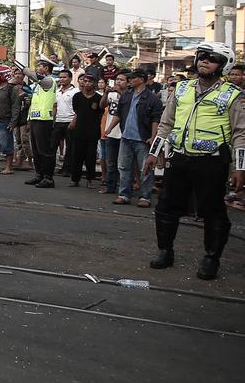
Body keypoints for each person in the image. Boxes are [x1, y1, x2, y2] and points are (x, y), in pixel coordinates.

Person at [146, 42, 244, 280]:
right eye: (202, 56)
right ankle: (165, 251)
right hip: (179, 158)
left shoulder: (233, 95)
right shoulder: (181, 88)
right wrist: (154, 152)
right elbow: (166, 124)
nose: (205, 60)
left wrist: (240, 167)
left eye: (212, 58)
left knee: (213, 210)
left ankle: (211, 258)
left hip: (212, 163)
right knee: (166, 206)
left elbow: (240, 133)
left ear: (224, 65)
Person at [104, 68, 163, 208]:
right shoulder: (126, 95)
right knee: (124, 167)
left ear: (141, 80)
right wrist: (110, 128)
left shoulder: (152, 99)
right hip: (126, 137)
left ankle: (145, 197)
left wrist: (153, 137)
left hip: (142, 138)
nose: (130, 80)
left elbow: (156, 120)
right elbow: (118, 114)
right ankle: (124, 194)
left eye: (132, 78)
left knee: (145, 169)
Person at [23, 59, 57, 188]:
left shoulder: (49, 81)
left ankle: (48, 178)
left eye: (40, 66)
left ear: (47, 68)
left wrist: (24, 69)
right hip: (35, 119)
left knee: (45, 151)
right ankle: (39, 175)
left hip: (44, 120)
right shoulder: (38, 85)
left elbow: (32, 75)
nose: (37, 68)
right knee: (36, 151)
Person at [68, 74, 103, 188]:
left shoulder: (98, 98)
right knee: (76, 156)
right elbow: (76, 111)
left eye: (90, 81)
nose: (87, 83)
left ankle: (90, 180)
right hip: (79, 130)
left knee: (90, 157)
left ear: (94, 84)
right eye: (85, 81)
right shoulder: (77, 96)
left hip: (92, 131)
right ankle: (75, 179)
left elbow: (100, 114)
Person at [99, 74, 127, 195]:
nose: (118, 82)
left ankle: (125, 188)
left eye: (121, 80)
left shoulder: (130, 95)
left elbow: (127, 104)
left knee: (124, 164)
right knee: (110, 162)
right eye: (117, 80)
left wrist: (120, 93)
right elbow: (102, 105)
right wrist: (106, 93)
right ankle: (110, 187)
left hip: (124, 133)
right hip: (111, 133)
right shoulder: (111, 94)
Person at [53, 69, 78, 179]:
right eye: (60, 77)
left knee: (70, 147)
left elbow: (78, 109)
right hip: (58, 121)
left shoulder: (75, 91)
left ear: (70, 79)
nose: (62, 79)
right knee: (53, 146)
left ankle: (67, 169)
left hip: (70, 121)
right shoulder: (57, 91)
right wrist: (53, 120)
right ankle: (51, 167)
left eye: (64, 77)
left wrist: (74, 121)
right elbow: (55, 107)